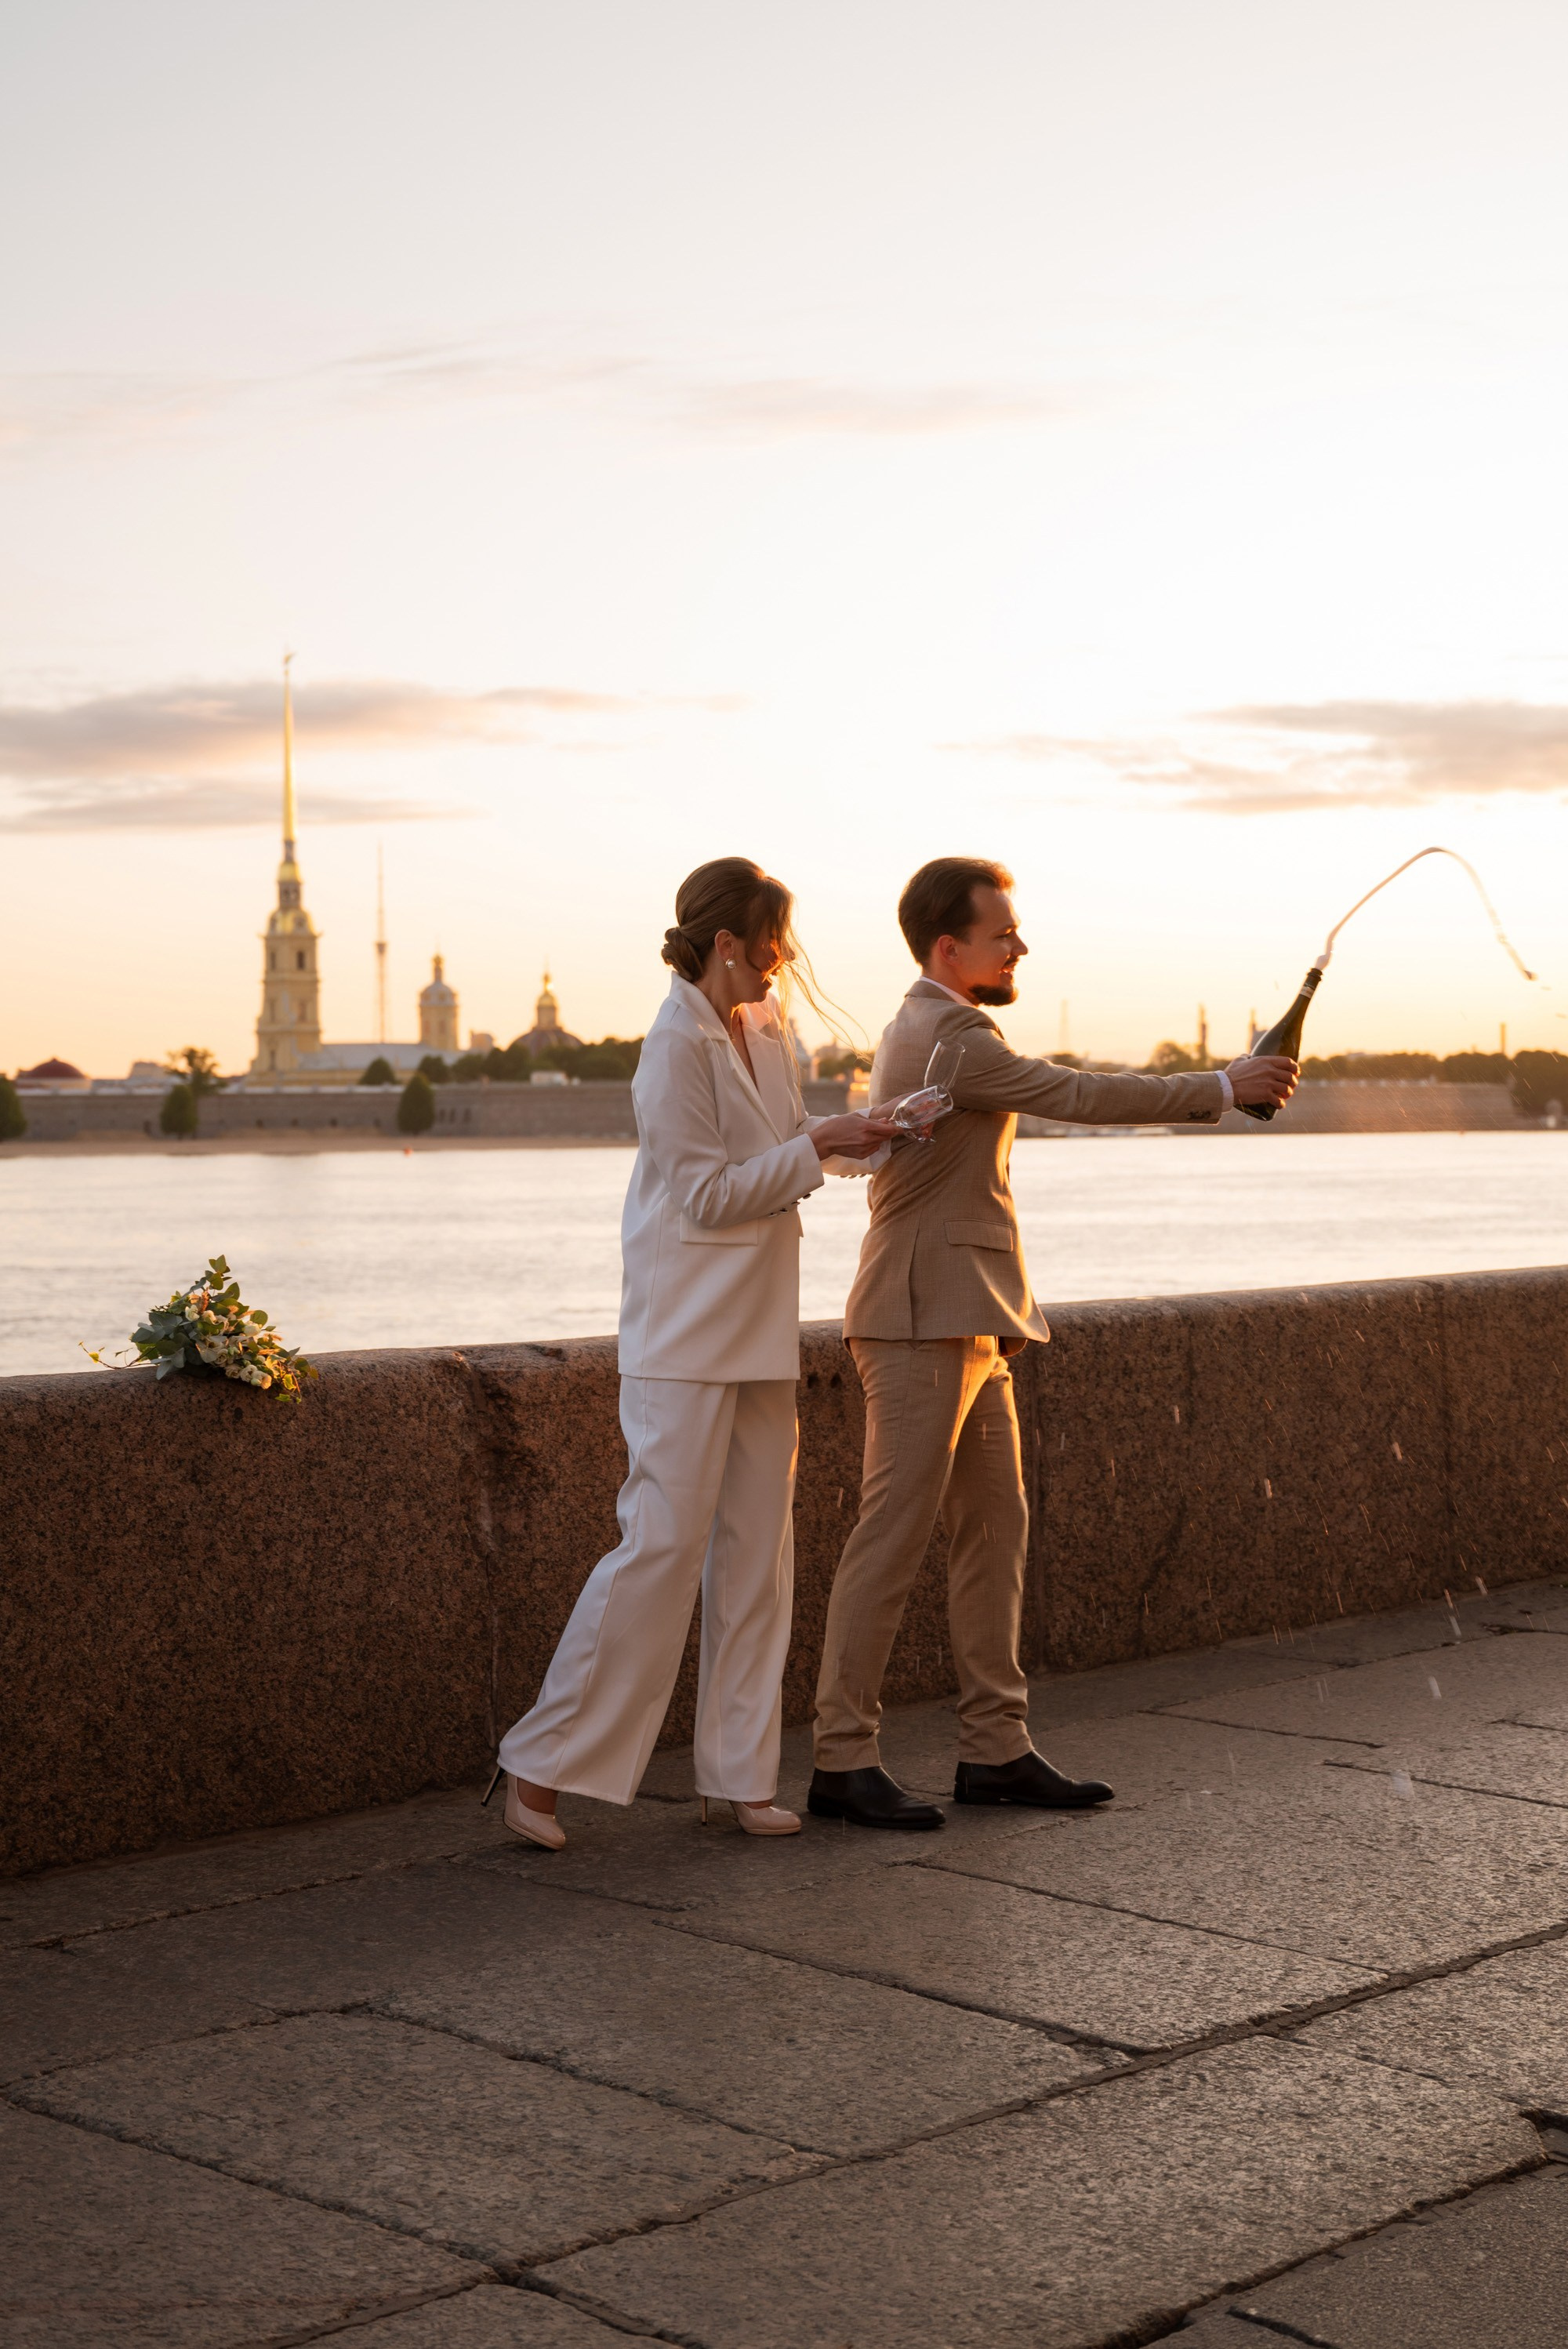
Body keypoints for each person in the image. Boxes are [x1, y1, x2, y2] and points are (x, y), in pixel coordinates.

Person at [808, 856, 1298, 1830]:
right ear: (949, 948)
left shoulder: (935, 1026)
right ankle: (838, 1757)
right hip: (917, 1316)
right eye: (1002, 933)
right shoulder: (951, 1034)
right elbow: (1075, 1092)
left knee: (998, 1526)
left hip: (968, 1314)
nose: (1019, 944)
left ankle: (994, 1747)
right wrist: (1221, 1082)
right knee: (890, 1536)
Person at [488, 857, 895, 1850]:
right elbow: (706, 1193)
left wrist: (871, 1135)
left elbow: (789, 1144)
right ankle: (537, 1763)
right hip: (681, 1332)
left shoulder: (763, 1030)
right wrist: (815, 1147)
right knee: (660, 1550)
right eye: (771, 942)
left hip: (759, 1323)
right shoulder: (670, 1044)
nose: (782, 959)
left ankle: (740, 1774)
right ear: (725, 943)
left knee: (760, 1557)